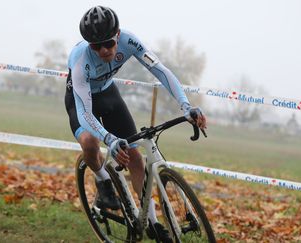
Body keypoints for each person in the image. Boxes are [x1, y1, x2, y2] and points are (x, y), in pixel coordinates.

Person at [65, 5, 207, 242]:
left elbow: (160, 71)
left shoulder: (129, 41)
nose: (103, 51)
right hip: (81, 101)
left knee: (135, 157)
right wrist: (108, 139)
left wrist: (186, 105)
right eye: (95, 46)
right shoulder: (79, 59)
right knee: (90, 143)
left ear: (118, 35)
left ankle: (152, 222)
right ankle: (104, 182)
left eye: (108, 43)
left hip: (109, 95)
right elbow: (84, 111)